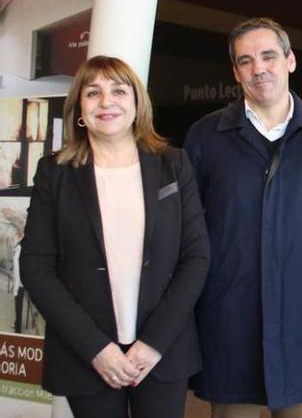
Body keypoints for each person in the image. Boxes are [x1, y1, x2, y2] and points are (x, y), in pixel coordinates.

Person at [184, 17, 302, 418]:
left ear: (290, 61)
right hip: (229, 319)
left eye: (268, 56)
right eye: (246, 61)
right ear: (236, 72)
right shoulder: (205, 137)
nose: (259, 68)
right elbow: (187, 232)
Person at [20, 55, 210, 418]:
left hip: (161, 351)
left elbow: (197, 256)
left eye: (119, 91)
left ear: (137, 104)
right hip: (86, 355)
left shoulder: (174, 165)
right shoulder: (54, 173)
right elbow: (36, 267)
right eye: (93, 93)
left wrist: (152, 345)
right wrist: (96, 348)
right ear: (79, 109)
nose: (106, 102)